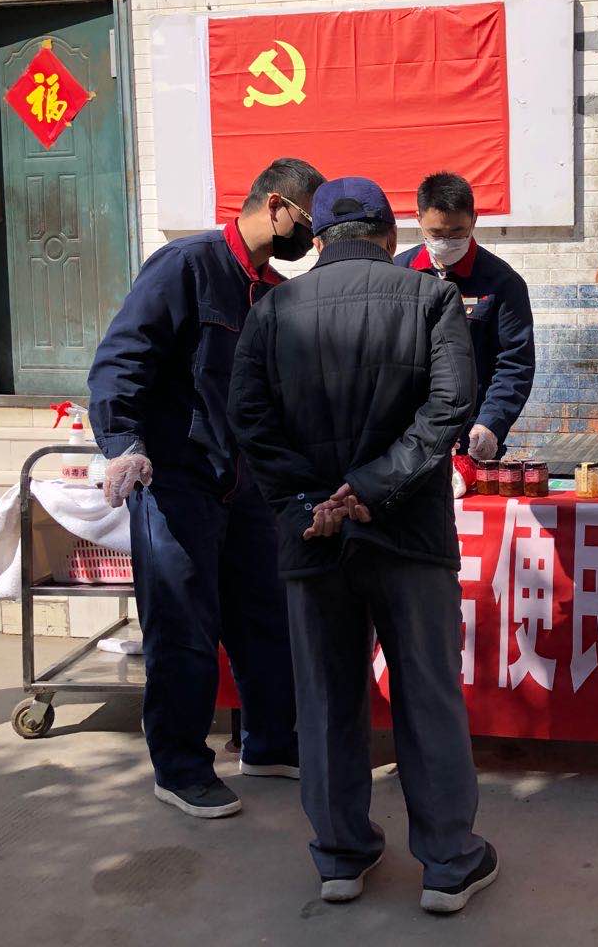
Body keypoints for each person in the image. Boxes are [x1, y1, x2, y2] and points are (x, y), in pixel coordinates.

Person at [229, 177, 497, 914]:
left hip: (313, 538)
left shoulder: (272, 308)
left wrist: (312, 501)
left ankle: (341, 858)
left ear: (317, 241)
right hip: (408, 533)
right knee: (428, 695)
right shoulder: (432, 298)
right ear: (390, 235)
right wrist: (371, 487)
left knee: (325, 699)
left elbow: (248, 418)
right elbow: (451, 407)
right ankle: (447, 864)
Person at [88, 157, 324, 819]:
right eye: (306, 223)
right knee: (184, 625)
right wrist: (123, 443)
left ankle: (270, 744)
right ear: (275, 206)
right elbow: (121, 359)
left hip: (246, 483)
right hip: (176, 478)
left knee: (265, 616)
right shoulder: (185, 267)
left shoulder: (272, 291)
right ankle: (181, 767)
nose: (309, 239)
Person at [395, 172, 535, 460]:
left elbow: (514, 362)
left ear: (474, 220)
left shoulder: (502, 283)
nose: (447, 241)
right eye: (437, 233)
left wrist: (491, 424)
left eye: (457, 232)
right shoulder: (397, 276)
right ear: (418, 219)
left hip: (471, 438)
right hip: (406, 437)